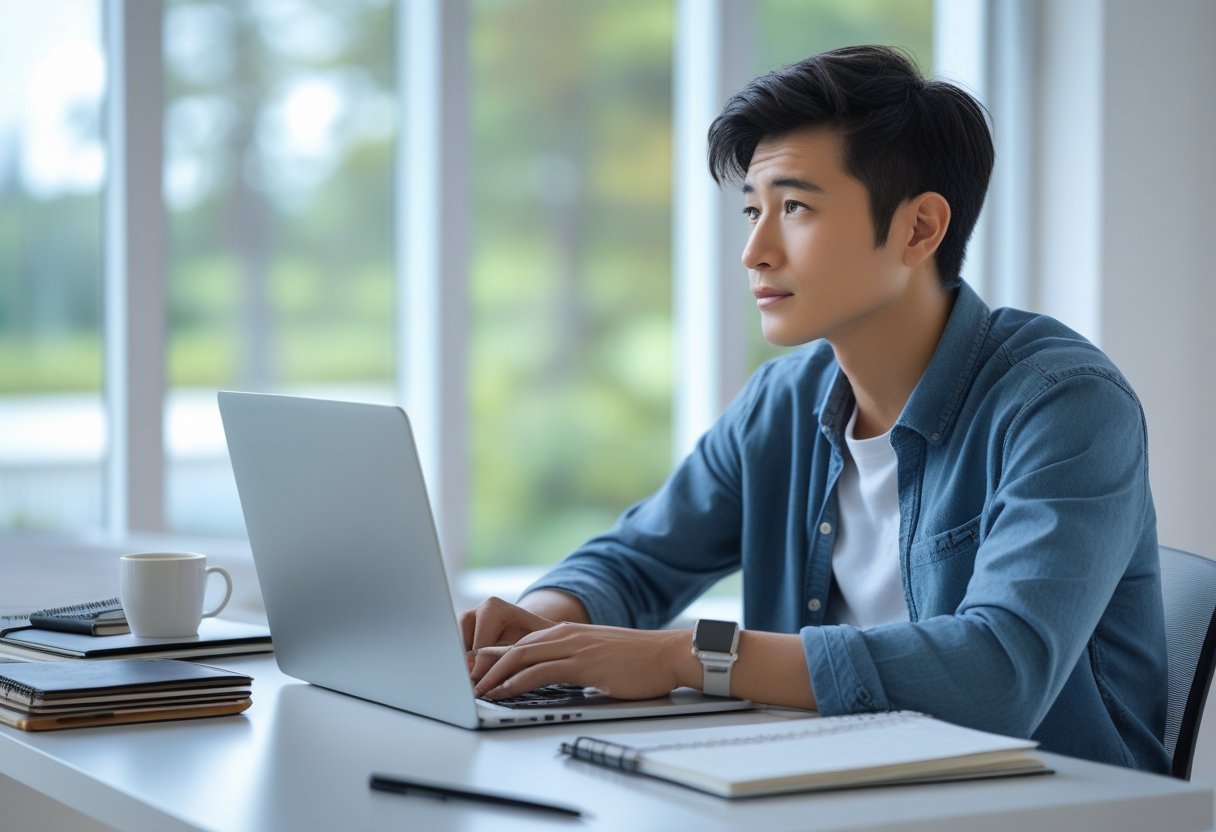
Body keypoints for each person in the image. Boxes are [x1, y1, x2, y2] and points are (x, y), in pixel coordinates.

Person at [459, 44, 1169, 773]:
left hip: (1049, 807)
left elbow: (998, 672)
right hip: (830, 790)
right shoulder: (784, 399)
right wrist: (540, 626)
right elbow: (639, 561)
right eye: (752, 211)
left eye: (795, 207)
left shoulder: (1065, 404)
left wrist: (687, 655)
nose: (755, 252)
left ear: (919, 229)